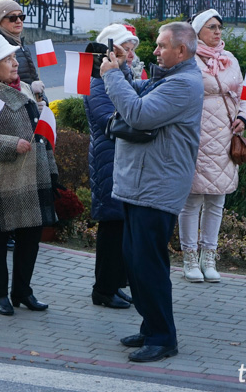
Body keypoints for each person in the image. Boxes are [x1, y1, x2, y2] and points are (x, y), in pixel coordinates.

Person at [100, 21, 203, 363]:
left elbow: (139, 113)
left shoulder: (184, 84)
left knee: (149, 266)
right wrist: (126, 69)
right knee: (135, 262)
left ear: (182, 51)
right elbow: (141, 91)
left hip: (157, 188)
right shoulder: (170, 77)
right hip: (141, 186)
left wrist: (113, 76)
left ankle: (163, 337)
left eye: (161, 46)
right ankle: (150, 327)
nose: (155, 51)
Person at [0, 35, 58, 316]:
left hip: (33, 172)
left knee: (30, 234)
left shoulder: (27, 88)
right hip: (0, 176)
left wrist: (51, 169)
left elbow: (40, 131)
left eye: (14, 57)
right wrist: (10, 144)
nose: (15, 63)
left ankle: (22, 291)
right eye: (8, 59)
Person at [179, 10, 246, 283]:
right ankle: (189, 257)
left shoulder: (229, 58)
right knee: (192, 199)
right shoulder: (187, 59)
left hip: (225, 140)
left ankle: (209, 256)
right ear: (198, 31)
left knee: (217, 200)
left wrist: (244, 117)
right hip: (197, 138)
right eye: (212, 27)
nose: (218, 31)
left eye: (220, 27)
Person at [84, 24, 139, 311]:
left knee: (121, 226)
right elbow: (110, 119)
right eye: (124, 49)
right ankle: (103, 289)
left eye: (131, 49)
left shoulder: (124, 76)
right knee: (111, 226)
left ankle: (116, 284)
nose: (130, 54)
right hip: (109, 159)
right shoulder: (98, 79)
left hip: (123, 159)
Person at [0, 0, 45, 97]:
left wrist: (42, 100)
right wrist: (30, 89)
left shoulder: (20, 44)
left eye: (21, 17)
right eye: (12, 18)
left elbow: (34, 79)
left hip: (28, 103)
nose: (18, 21)